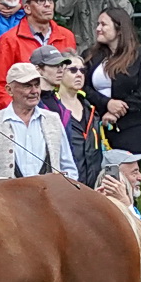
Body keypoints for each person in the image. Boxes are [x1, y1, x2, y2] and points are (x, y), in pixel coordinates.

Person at [0, 0, 76, 114]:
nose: (47, 4)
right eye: (40, 1)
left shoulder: (67, 36)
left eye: (50, 0)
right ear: (27, 8)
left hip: (64, 112)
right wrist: (20, 116)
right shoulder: (9, 40)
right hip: (24, 114)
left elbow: (72, 79)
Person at [0, 63, 76, 181]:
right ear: (9, 90)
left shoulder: (53, 119)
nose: (34, 91)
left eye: (37, 85)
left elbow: (69, 168)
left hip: (49, 196)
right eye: (27, 86)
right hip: (7, 197)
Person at [83, 8, 141, 159]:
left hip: (131, 127)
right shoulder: (90, 55)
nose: (98, 29)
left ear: (119, 29)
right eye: (98, 24)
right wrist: (107, 103)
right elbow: (82, 87)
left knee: (127, 173)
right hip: (95, 123)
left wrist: (117, 111)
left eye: (103, 24)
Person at [54, 52, 103, 186]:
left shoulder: (90, 108)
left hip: (93, 184)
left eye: (82, 70)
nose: (79, 74)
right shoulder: (52, 109)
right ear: (60, 73)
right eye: (73, 70)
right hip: (66, 184)